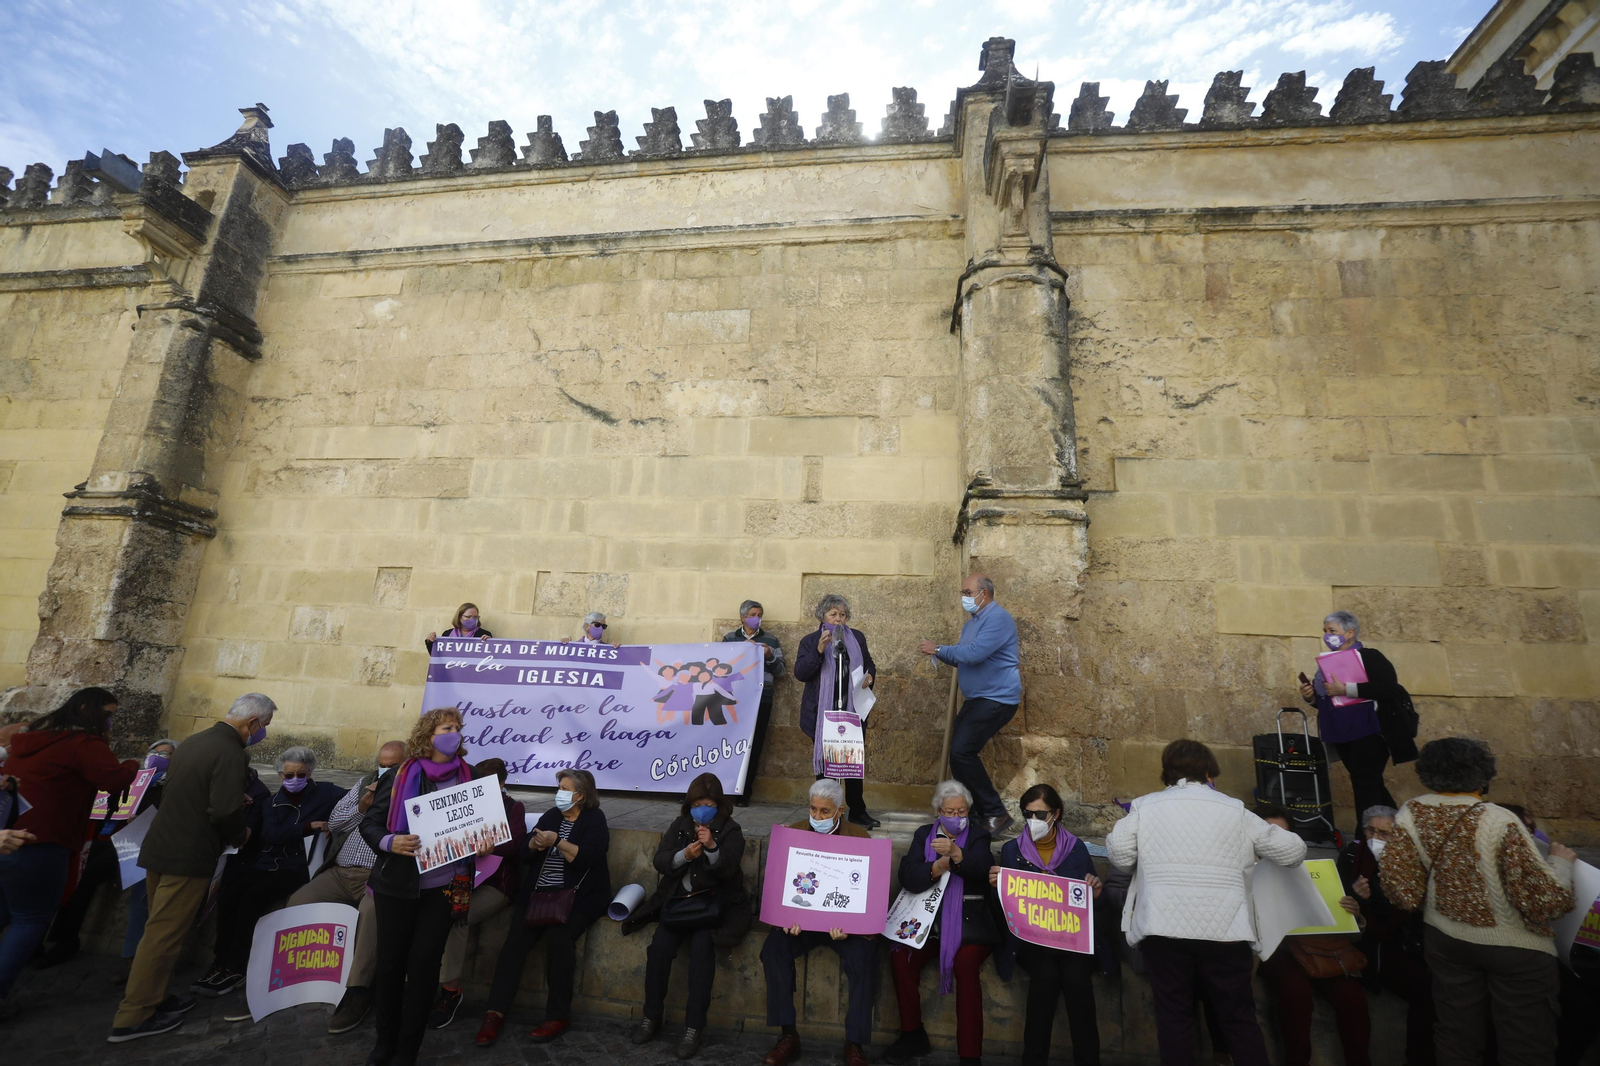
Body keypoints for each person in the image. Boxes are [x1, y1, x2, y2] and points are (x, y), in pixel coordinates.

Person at [1106, 738, 1306, 1066]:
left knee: (1174, 1019)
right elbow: (1294, 851)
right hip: (1227, 930)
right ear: (1210, 770)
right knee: (1239, 1019)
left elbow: (1121, 856)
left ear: (1166, 770)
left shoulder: (1144, 806)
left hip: (1163, 926)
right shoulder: (1235, 809)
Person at [1380, 737, 1577, 1066]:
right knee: (1525, 1042)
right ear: (1483, 774)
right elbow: (1545, 901)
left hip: (1444, 940)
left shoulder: (1410, 814)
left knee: (1456, 1036)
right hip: (1515, 947)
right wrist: (1562, 864)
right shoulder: (1500, 819)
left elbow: (1402, 892)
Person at [110, 692, 275, 1043]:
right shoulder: (231, 751)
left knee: (159, 929)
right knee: (163, 936)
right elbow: (225, 811)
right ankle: (134, 1015)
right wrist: (241, 832)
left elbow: (190, 793)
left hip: (160, 847)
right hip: (187, 856)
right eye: (264, 728)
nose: (261, 734)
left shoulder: (194, 741)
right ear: (254, 723)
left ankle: (156, 996)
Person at [358, 707, 494, 1066]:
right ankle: (383, 1043)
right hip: (397, 886)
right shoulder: (403, 773)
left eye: (458, 728)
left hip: (444, 888)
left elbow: (483, 827)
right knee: (390, 966)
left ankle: (407, 1050)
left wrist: (485, 842)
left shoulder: (472, 776)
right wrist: (390, 842)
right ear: (428, 734)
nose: (455, 733)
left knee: (423, 967)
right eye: (447, 727)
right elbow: (370, 823)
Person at [0, 688, 139, 1015]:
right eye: (107, 714)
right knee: (31, 921)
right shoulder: (82, 745)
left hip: (8, 835)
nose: (110, 722)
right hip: (43, 841)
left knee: (6, 914)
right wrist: (137, 765)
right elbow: (114, 778)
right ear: (85, 710)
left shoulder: (34, 740)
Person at [196, 745, 345, 1004]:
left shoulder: (326, 793)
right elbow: (271, 835)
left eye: (301, 774)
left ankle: (239, 964)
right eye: (289, 775)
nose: (295, 780)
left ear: (309, 773)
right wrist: (308, 826)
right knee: (230, 893)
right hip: (268, 862)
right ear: (280, 776)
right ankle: (221, 960)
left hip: (299, 865)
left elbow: (351, 800)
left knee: (253, 898)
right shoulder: (272, 802)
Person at [475, 767, 611, 1047]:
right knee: (513, 945)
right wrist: (536, 845)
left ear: (580, 795)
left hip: (576, 898)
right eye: (558, 787)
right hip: (538, 896)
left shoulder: (594, 819)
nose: (559, 793)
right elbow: (524, 854)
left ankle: (558, 1016)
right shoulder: (551, 815)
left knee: (560, 942)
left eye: (564, 789)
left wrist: (558, 842)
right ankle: (494, 1013)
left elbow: (589, 856)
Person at [626, 771, 750, 1059]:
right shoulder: (680, 826)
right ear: (689, 805)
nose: (701, 809)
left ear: (718, 805)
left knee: (701, 956)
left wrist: (711, 848)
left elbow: (729, 868)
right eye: (696, 804)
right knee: (658, 950)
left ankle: (694, 1027)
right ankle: (651, 1015)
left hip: (712, 910)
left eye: (708, 803)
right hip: (679, 905)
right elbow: (661, 860)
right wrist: (685, 855)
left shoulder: (730, 830)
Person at [287, 739, 405, 1032]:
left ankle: (358, 991)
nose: (384, 771)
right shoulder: (364, 783)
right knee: (297, 903)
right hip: (341, 872)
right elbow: (337, 822)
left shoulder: (410, 792)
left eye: (392, 766)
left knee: (372, 913)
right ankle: (308, 978)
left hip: (377, 877)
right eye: (382, 764)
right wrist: (363, 810)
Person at [759, 778, 877, 1066]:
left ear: (840, 811)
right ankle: (788, 1036)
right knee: (774, 948)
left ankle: (855, 1042)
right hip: (803, 924)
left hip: (843, 929)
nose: (817, 817)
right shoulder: (794, 833)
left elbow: (868, 894)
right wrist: (785, 919)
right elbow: (779, 886)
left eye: (825, 812)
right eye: (813, 809)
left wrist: (851, 929)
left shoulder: (860, 838)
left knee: (865, 958)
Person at [985, 783, 1101, 1066]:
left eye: (1040, 814)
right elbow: (1004, 906)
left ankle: (1088, 1060)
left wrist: (1095, 890)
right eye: (1028, 814)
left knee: (1077, 981)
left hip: (1071, 941)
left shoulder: (1076, 850)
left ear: (1056, 814)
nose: (1033, 821)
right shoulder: (1013, 850)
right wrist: (996, 886)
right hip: (1031, 941)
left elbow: (1091, 898)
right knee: (1045, 979)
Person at [1253, 802, 1371, 1066]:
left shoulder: (1311, 871)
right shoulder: (1244, 869)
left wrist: (1352, 911)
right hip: (1274, 949)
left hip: (1315, 946)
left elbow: (1339, 918)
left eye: (1282, 835)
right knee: (1296, 992)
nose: (1275, 841)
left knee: (1351, 996)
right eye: (1268, 833)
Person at [886, 780, 995, 1066]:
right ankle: (912, 1034)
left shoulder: (979, 836)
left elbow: (983, 869)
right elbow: (908, 874)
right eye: (950, 811)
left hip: (968, 926)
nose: (956, 817)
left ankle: (970, 1054)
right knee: (901, 957)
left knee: (966, 965)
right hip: (928, 923)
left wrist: (957, 855)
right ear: (938, 811)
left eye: (961, 811)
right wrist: (937, 866)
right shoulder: (924, 834)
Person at [427, 758, 527, 1030]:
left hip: (495, 885)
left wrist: (491, 847)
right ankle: (421, 986)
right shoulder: (460, 803)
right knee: (427, 912)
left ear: (502, 784)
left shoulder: (512, 807)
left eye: (487, 784)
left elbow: (516, 844)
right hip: (456, 880)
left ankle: (450, 991)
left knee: (457, 917)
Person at [919, 574, 1022, 836]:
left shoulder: (997, 618)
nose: (964, 597)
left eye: (967, 592)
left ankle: (995, 812)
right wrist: (942, 654)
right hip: (980, 698)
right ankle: (978, 815)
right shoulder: (974, 622)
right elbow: (964, 658)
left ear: (983, 594)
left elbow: (974, 653)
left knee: (962, 752)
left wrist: (939, 649)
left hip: (996, 699)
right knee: (959, 754)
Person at [1336, 805, 1434, 1066]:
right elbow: (1344, 908)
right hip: (1372, 945)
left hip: (1405, 940)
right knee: (1423, 988)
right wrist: (1359, 899)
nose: (1375, 838)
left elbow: (1407, 910)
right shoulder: (1350, 856)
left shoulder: (1408, 862)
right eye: (1370, 830)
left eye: (1384, 833)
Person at [1297, 611, 1408, 827]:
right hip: (1340, 732)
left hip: (1367, 731)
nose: (1327, 636)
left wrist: (1346, 688)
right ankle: (1397, 831)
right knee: (1370, 784)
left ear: (1350, 633)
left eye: (1332, 631)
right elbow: (1327, 700)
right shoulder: (1326, 663)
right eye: (1325, 632)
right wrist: (1310, 697)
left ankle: (1364, 840)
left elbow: (1387, 688)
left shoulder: (1370, 657)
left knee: (1365, 784)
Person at [794, 594, 880, 829]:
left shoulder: (857, 638)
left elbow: (869, 663)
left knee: (852, 765)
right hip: (823, 714)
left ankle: (857, 811)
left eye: (842, 614)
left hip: (852, 711)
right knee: (827, 768)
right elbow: (801, 673)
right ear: (823, 616)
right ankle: (826, 812)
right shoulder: (810, 641)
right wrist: (819, 650)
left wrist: (870, 675)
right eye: (833, 614)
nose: (839, 619)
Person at [114, 740, 178, 982]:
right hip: (134, 850)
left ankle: (143, 965)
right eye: (157, 752)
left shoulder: (176, 784)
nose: (161, 756)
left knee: (150, 906)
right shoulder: (137, 784)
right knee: (139, 904)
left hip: (161, 852)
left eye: (168, 753)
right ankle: (133, 960)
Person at [721, 600, 784, 807]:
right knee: (727, 743)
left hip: (761, 699)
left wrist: (768, 656)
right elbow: (721, 668)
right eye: (753, 614)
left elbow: (780, 671)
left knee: (754, 745)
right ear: (742, 617)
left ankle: (743, 793)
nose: (757, 618)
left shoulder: (771, 640)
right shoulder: (730, 639)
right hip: (734, 701)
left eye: (760, 614)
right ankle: (722, 788)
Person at [424, 602, 490, 654]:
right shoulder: (447, 634)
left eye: (475, 617)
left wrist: (489, 643)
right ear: (459, 618)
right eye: (468, 617)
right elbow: (438, 656)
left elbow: (489, 657)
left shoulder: (483, 634)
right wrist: (430, 641)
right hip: (450, 670)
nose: (472, 620)